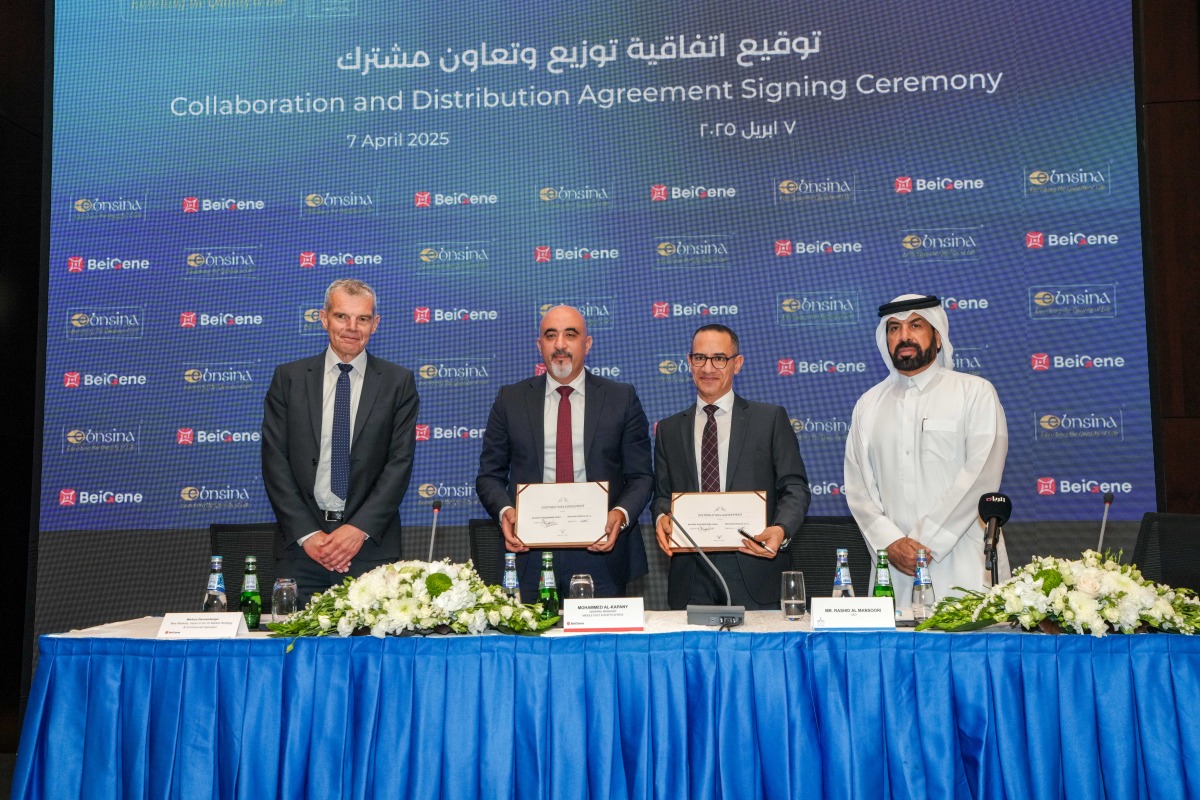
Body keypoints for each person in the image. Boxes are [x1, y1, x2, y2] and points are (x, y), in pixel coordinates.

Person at [476, 305, 653, 599]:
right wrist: (506, 511)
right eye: (550, 335)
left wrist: (620, 515)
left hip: (600, 554)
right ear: (539, 345)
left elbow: (641, 476)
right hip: (529, 554)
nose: (560, 344)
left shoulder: (621, 398)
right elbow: (489, 476)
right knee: (528, 645)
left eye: (570, 335)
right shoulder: (511, 399)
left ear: (587, 343)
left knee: (599, 647)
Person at [844, 294, 1009, 608]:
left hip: (965, 562)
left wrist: (925, 543)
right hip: (894, 566)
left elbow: (981, 477)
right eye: (894, 328)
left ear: (937, 336)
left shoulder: (974, 393)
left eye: (915, 325)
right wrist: (890, 542)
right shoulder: (868, 404)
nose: (903, 336)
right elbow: (859, 488)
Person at [262, 278, 418, 603]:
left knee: (373, 654)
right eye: (341, 316)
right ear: (323, 318)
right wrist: (309, 536)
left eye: (362, 319)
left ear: (375, 324)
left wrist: (356, 530)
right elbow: (274, 462)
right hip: (302, 550)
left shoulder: (398, 383)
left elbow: (398, 465)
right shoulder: (288, 379)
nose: (352, 327)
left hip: (370, 548)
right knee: (297, 651)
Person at [652, 324, 810, 610]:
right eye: (700, 358)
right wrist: (662, 516)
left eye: (719, 358)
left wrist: (782, 529)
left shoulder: (769, 419)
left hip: (755, 570)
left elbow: (795, 487)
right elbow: (663, 494)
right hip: (691, 578)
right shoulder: (668, 429)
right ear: (689, 363)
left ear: (737, 364)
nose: (708, 367)